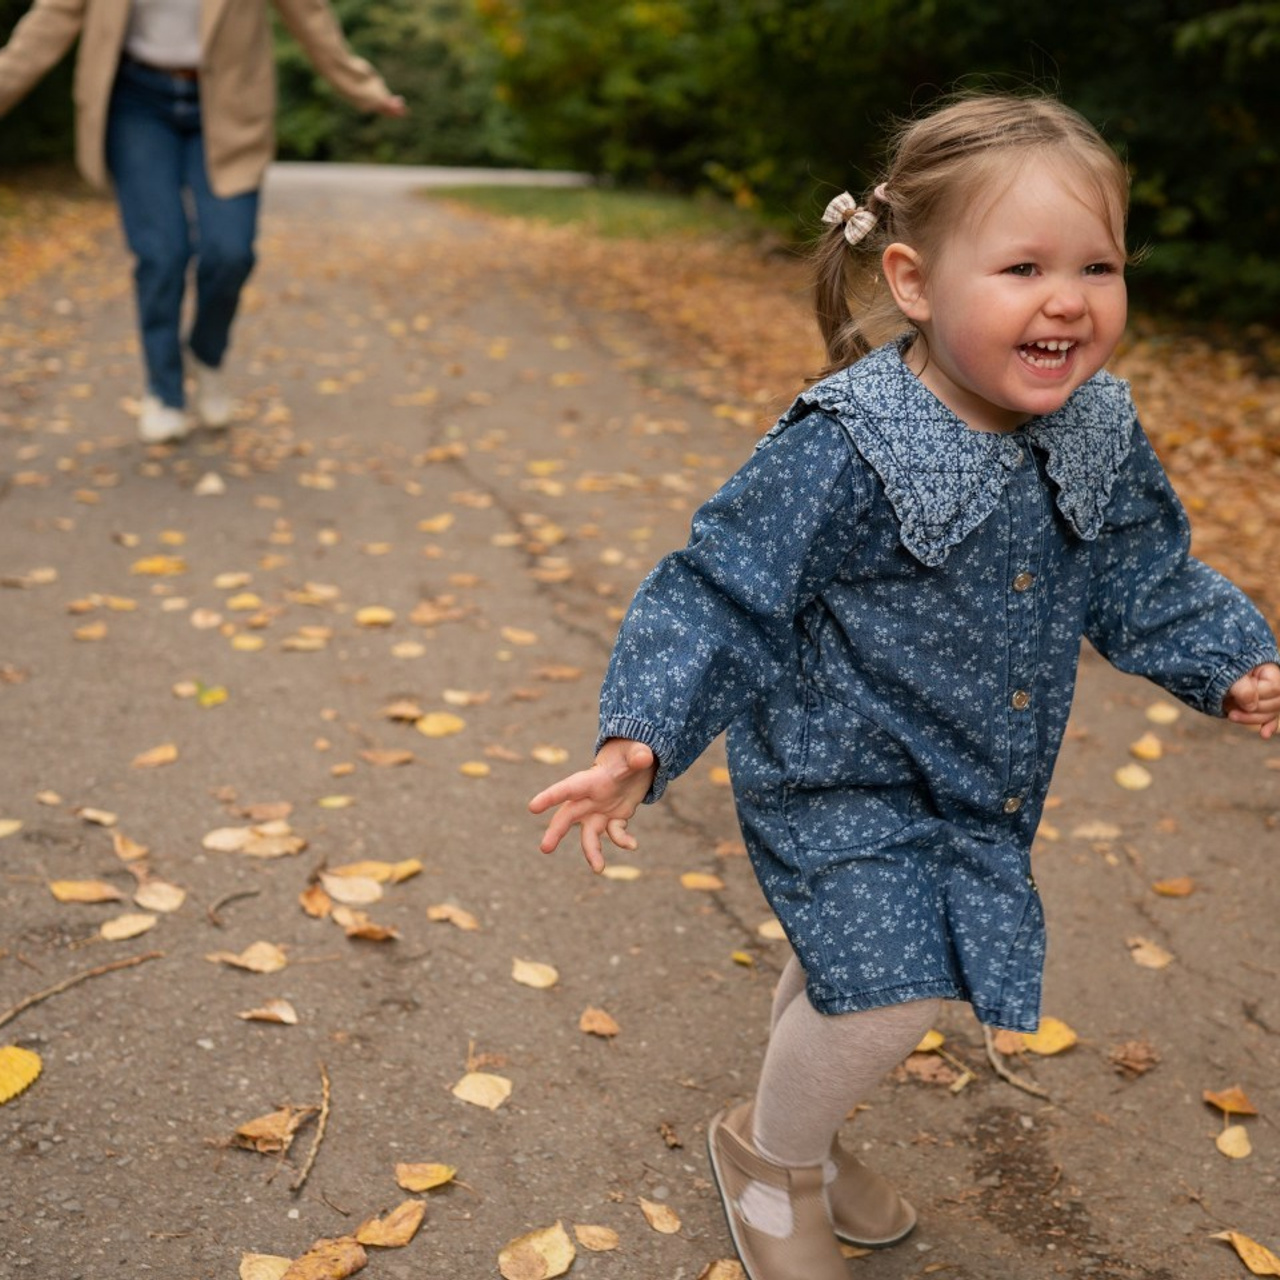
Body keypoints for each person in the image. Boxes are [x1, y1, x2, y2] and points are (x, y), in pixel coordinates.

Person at [528, 91, 1280, 1280]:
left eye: (1097, 263)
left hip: (972, 772)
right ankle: (774, 1163)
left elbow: (1138, 566)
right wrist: (642, 737)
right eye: (1022, 264)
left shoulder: (1092, 425)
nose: (1066, 297)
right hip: (836, 767)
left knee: (854, 963)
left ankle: (793, 1139)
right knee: (891, 987)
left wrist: (1227, 659)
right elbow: (721, 588)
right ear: (914, 281)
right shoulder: (848, 439)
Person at [0, 0, 406, 443]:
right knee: (161, 253)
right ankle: (164, 391)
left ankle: (206, 354)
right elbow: (54, 16)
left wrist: (363, 87)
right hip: (136, 101)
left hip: (227, 103)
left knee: (230, 252)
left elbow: (308, 14)